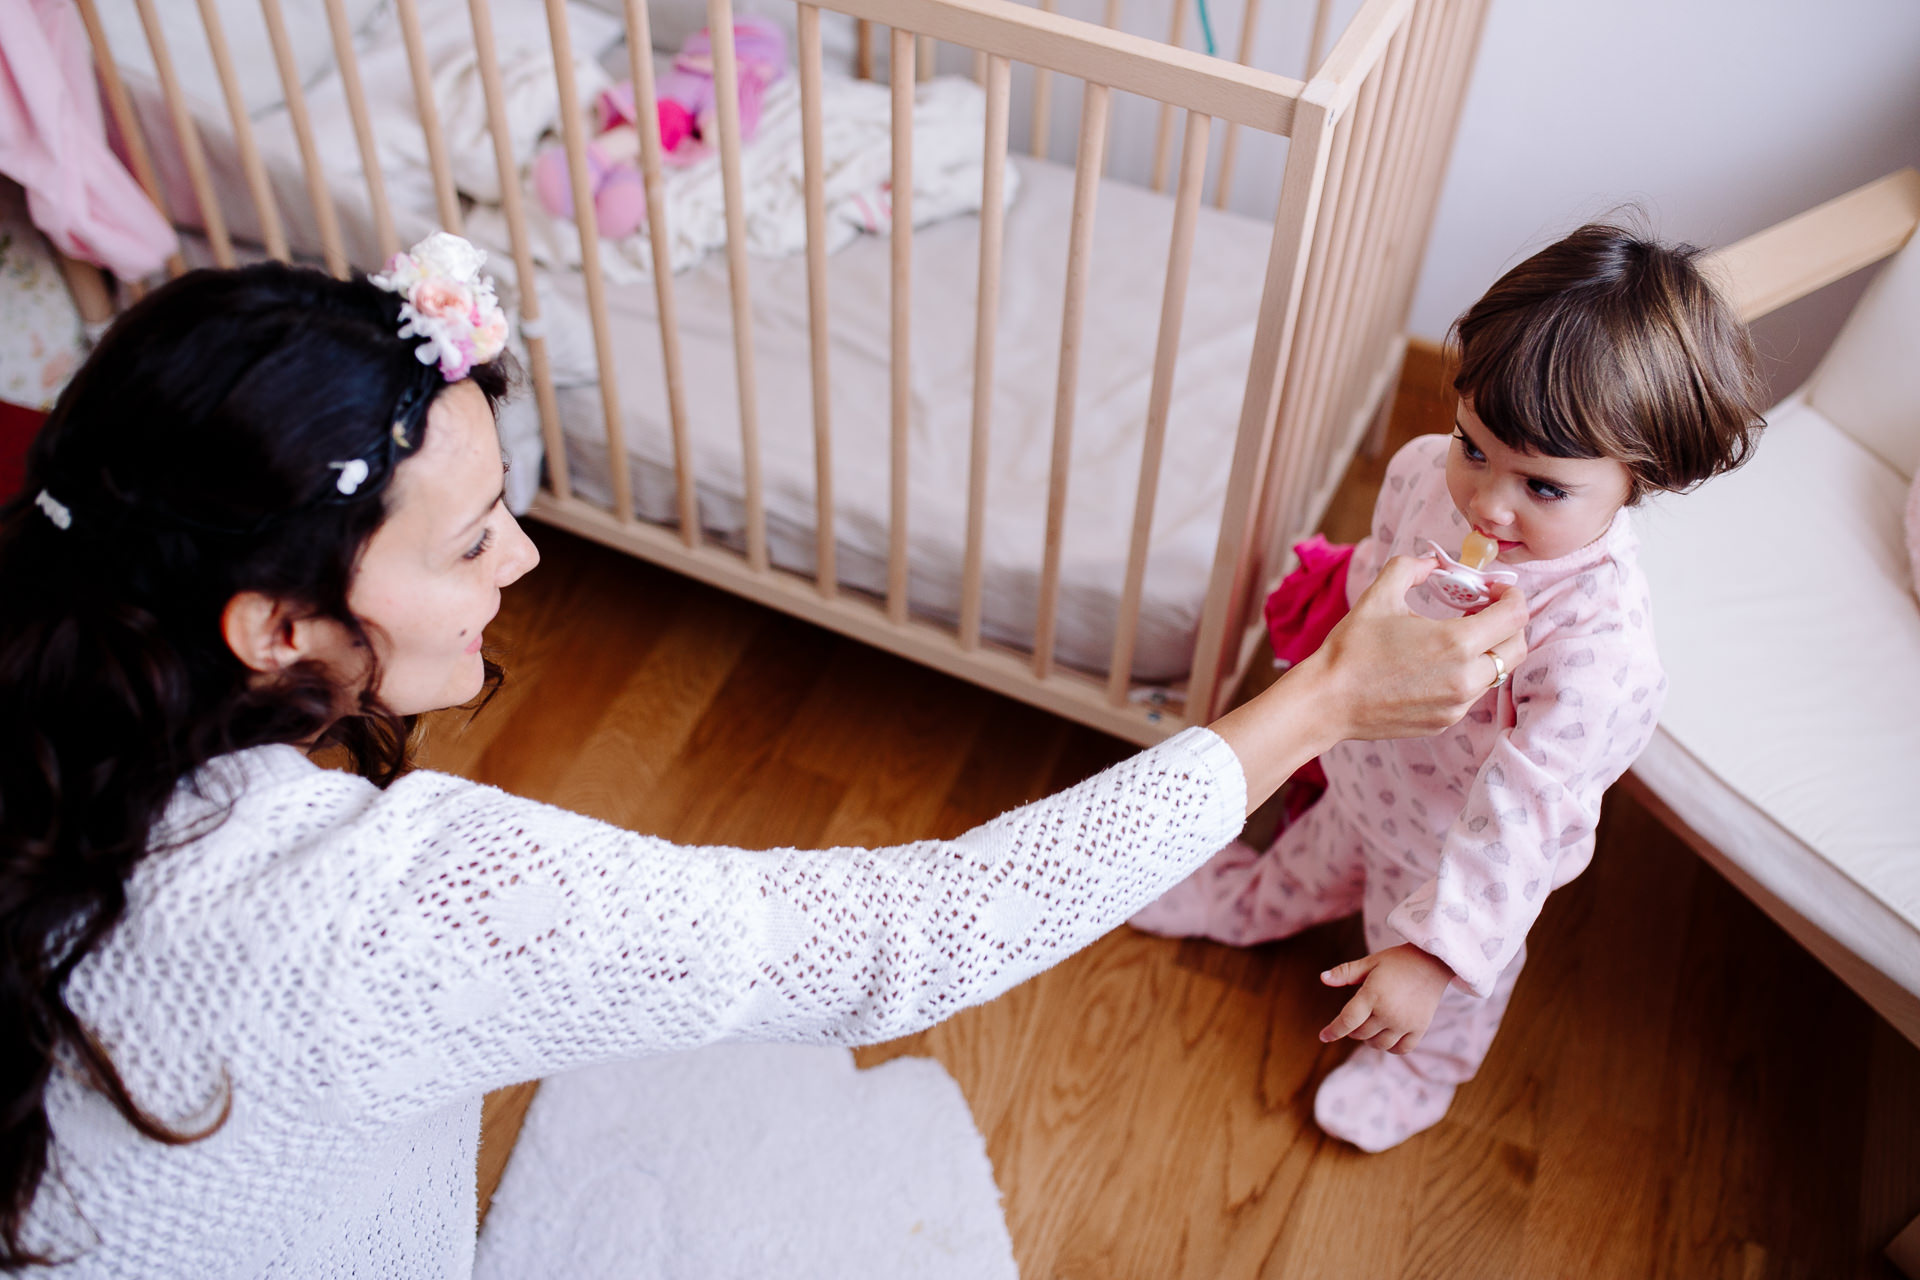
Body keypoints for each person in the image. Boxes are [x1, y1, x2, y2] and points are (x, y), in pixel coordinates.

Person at [0, 235, 1527, 1276]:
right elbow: (903, 937)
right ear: (273, 623)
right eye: (472, 542)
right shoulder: (370, 908)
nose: (524, 563)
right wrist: (1318, 705)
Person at [1132, 223, 1769, 1152]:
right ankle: (1253, 902)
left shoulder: (1596, 648)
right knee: (1311, 863)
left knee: (1448, 982)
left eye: (1543, 488)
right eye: (1474, 447)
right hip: (1360, 781)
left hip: (1453, 854)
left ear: (1637, 480)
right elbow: (1369, 587)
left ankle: (1421, 1063)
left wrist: (1435, 957)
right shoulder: (1418, 472)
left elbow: (1527, 814)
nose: (1488, 504)